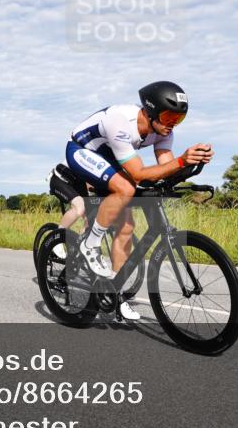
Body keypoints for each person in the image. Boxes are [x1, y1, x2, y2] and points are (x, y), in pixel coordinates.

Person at [64, 81, 213, 321]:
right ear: (150, 111)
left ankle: (115, 291)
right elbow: (138, 174)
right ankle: (89, 244)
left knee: (127, 228)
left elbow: (166, 168)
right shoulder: (121, 121)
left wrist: (193, 165)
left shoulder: (165, 131)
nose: (172, 124)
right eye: (168, 116)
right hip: (82, 151)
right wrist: (182, 161)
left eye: (178, 119)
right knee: (126, 188)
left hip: (110, 157)